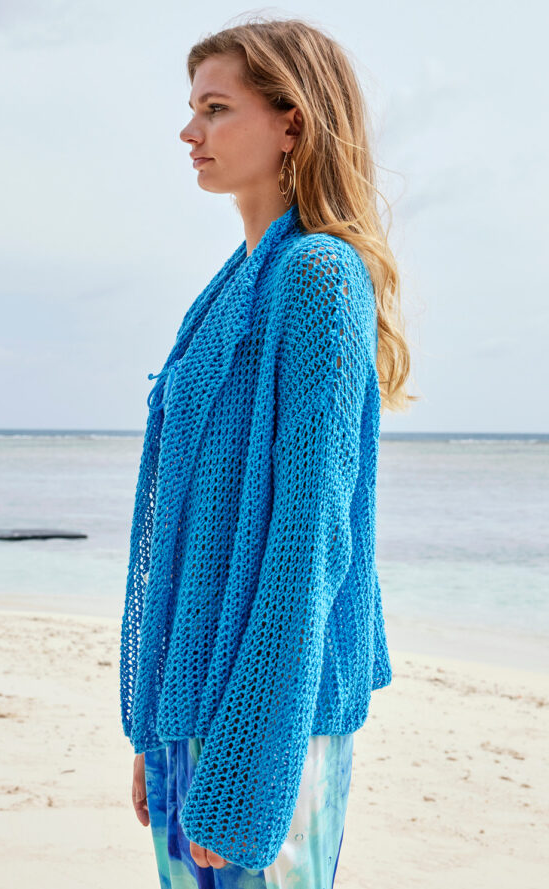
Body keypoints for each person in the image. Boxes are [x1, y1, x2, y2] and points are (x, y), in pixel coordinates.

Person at [120, 15, 415, 889]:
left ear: (293, 123)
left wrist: (248, 762)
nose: (190, 132)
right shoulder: (227, 291)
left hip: (270, 723)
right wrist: (162, 729)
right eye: (193, 108)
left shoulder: (319, 276)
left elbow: (310, 539)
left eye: (215, 108)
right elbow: (193, 531)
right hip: (198, 709)